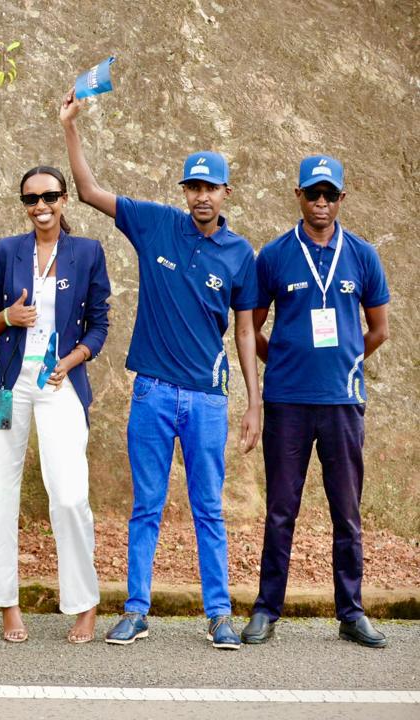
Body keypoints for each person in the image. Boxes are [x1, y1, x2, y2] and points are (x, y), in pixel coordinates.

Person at [60, 89, 261, 649]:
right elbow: (89, 191)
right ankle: (136, 610)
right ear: (185, 191)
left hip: (207, 400)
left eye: (210, 187)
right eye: (193, 186)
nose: (201, 196)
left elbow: (245, 331)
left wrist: (254, 402)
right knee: (145, 506)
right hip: (151, 392)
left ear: (226, 192)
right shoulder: (155, 224)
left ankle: (218, 614)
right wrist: (71, 126)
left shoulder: (240, 254)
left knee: (208, 509)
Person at [242, 156, 390, 648]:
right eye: (313, 193)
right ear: (299, 196)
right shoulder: (274, 255)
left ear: (342, 198)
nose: (321, 202)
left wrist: (345, 360)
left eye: (329, 194)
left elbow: (379, 330)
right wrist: (284, 360)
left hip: (342, 403)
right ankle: (267, 609)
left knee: (346, 512)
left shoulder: (363, 255)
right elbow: (251, 329)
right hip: (287, 402)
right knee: (281, 510)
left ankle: (351, 612)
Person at [0, 166, 111, 644]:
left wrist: (71, 360)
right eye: (31, 199)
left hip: (59, 380)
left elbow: (100, 325)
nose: (40, 206)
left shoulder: (87, 252)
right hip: (8, 383)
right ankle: (6, 604)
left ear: (64, 198)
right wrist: (7, 317)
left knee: (69, 494)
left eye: (49, 196)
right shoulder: (7, 250)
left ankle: (84, 603)